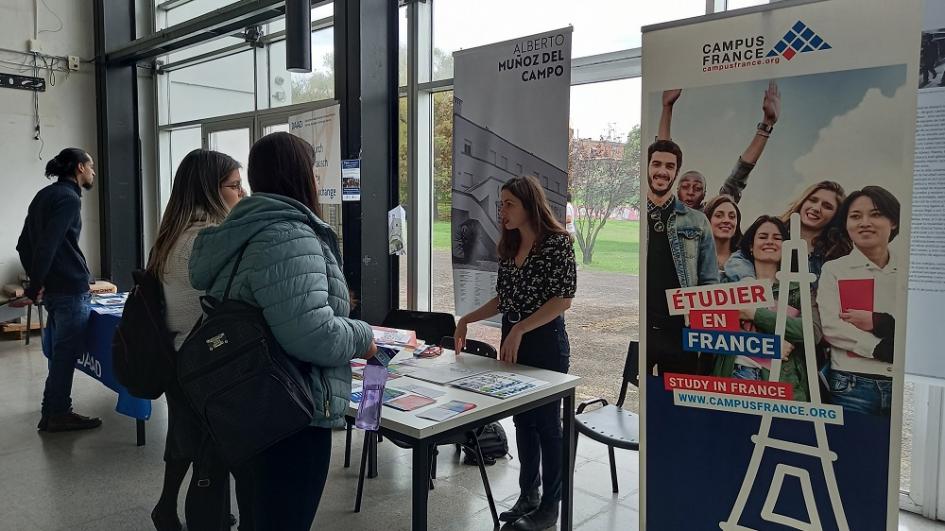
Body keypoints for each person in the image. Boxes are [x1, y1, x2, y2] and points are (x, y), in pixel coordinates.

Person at [189, 132, 377, 530]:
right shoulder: (289, 236)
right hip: (291, 412)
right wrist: (363, 335)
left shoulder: (244, 230)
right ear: (300, 175)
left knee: (260, 515)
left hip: (247, 404)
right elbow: (313, 335)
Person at [454, 176, 576, 531]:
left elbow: (562, 299)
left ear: (529, 205)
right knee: (524, 422)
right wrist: (466, 319)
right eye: (500, 204)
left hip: (545, 344)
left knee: (548, 426)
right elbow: (503, 298)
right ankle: (529, 494)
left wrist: (521, 327)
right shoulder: (508, 245)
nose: (501, 210)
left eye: (509, 204)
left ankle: (550, 507)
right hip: (514, 342)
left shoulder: (557, 244)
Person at [147, 149, 244, 531]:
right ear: (209, 189)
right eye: (235, 186)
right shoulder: (208, 239)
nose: (243, 194)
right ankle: (209, 519)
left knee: (187, 437)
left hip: (178, 358)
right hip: (206, 363)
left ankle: (170, 508)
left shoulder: (170, 235)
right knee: (211, 452)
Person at [16, 148, 101, 432]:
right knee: (65, 354)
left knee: (60, 352)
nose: (92, 172)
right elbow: (47, 245)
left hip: (56, 290)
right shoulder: (68, 199)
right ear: (79, 168)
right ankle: (58, 414)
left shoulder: (45, 195)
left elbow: (24, 246)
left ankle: (51, 410)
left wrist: (38, 282)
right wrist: (36, 286)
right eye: (90, 167)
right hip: (69, 289)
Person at [713, 216, 821, 402]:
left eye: (777, 238)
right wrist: (764, 345)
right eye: (763, 236)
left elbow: (813, 331)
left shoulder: (799, 287)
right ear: (751, 247)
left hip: (780, 382)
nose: (770, 241)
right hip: (731, 377)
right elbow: (706, 329)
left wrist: (752, 313)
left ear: (786, 247)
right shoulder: (728, 285)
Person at [817, 186, 900, 416]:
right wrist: (879, 347)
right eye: (855, 216)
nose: (865, 222)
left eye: (875, 214)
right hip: (851, 385)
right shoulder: (835, 269)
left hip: (901, 384)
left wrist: (880, 321)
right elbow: (831, 326)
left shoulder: (907, 271)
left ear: (893, 222)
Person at [645, 139, 719, 376]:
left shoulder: (697, 221)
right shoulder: (637, 216)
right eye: (656, 164)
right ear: (646, 167)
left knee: (678, 403)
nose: (662, 171)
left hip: (680, 328)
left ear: (676, 172)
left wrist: (701, 324)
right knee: (640, 401)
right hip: (641, 325)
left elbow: (709, 281)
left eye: (669, 166)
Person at [658, 81, 781, 210]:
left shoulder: (711, 214)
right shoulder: (665, 210)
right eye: (685, 186)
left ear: (704, 194)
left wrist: (766, 125)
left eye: (698, 188)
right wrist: (667, 107)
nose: (690, 192)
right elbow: (662, 157)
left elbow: (737, 178)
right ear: (676, 190)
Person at [725, 180, 846, 287]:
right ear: (803, 201)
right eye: (813, 200)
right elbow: (739, 258)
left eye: (827, 206)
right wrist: (749, 281)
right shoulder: (774, 230)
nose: (816, 208)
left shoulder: (837, 252)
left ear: (836, 215)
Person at [703, 194, 742, 277]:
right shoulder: (694, 259)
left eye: (732, 217)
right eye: (719, 216)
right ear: (707, 220)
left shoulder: (747, 259)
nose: (726, 220)